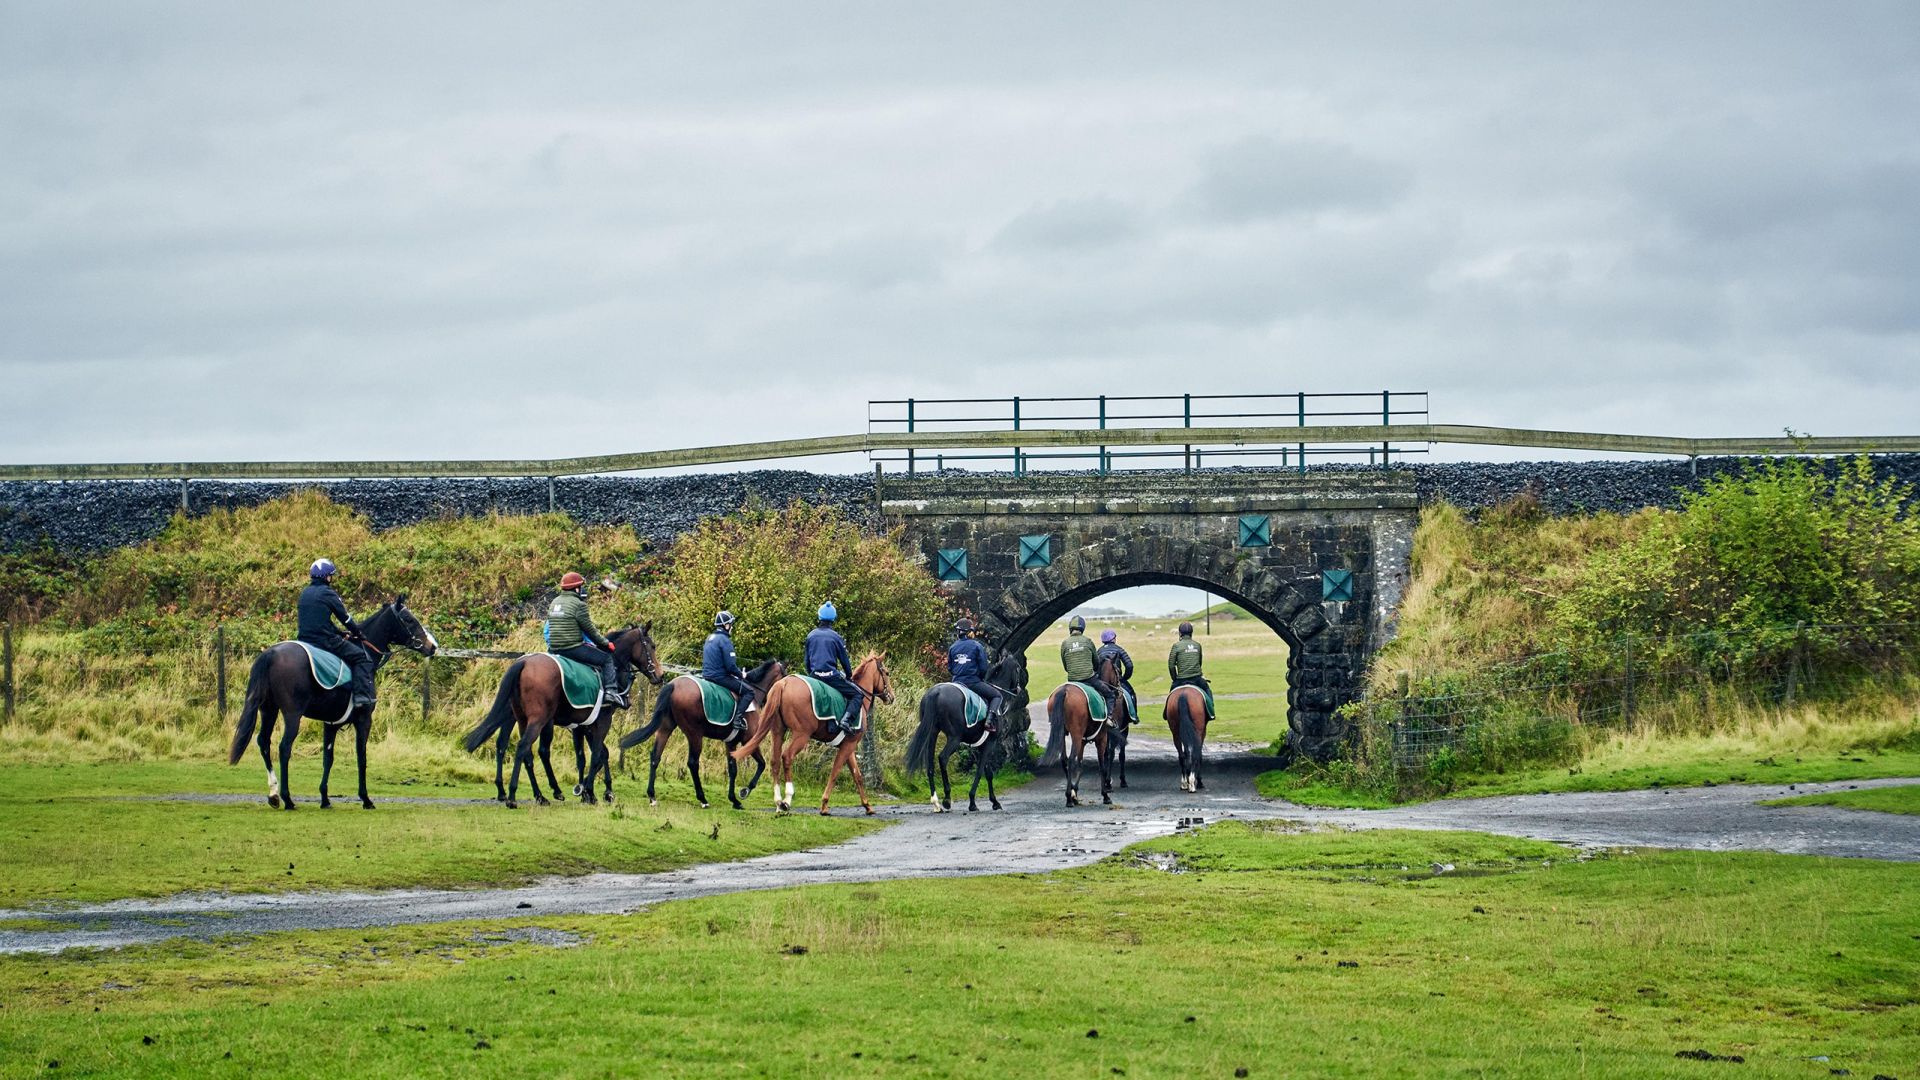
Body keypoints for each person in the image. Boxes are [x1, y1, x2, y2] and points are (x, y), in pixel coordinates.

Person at [297, 558, 376, 709]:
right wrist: (358, 633)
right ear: (326, 577)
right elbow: (345, 618)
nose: (331, 578)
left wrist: (340, 633)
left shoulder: (305, 593)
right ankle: (361, 696)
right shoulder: (327, 593)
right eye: (331, 575)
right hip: (324, 641)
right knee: (362, 658)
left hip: (304, 641)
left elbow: (319, 621)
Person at [546, 571, 628, 708]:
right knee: (607, 660)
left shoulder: (554, 602)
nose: (582, 589)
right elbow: (590, 630)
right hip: (572, 648)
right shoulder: (579, 604)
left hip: (553, 649)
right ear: (576, 588)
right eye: (581, 586)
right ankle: (611, 692)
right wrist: (606, 643)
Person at [804, 602, 865, 737]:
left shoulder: (811, 635)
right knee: (858, 694)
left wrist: (812, 674)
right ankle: (846, 721)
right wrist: (849, 675)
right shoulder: (836, 637)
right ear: (833, 619)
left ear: (819, 617)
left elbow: (806, 661)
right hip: (831, 676)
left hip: (814, 676)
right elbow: (844, 661)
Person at [945, 618, 1006, 733]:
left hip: (956, 682)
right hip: (972, 682)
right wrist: (981, 679)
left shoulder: (952, 647)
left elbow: (950, 668)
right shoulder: (977, 646)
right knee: (997, 696)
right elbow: (983, 668)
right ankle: (989, 722)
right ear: (970, 632)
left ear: (958, 632)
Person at [701, 610, 752, 740]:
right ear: (726, 625)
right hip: (720, 677)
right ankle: (737, 719)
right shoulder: (724, 640)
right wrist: (741, 675)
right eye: (731, 624)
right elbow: (730, 666)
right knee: (749, 692)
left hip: (707, 676)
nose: (732, 627)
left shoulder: (709, 638)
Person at [1059, 615, 1116, 718]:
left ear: (1070, 628)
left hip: (1072, 679)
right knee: (1110, 694)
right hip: (1089, 678)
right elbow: (1096, 662)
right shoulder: (1087, 641)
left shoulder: (1065, 643)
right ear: (1083, 628)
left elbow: (1066, 667)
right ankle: (1109, 718)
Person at [1093, 628, 1135, 722]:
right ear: (1114, 639)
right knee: (1131, 693)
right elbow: (1129, 665)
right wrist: (1124, 678)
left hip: (1100, 682)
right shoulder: (1119, 649)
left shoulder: (1099, 651)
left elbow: (1095, 667)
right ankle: (1133, 716)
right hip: (1116, 681)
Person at [1168, 621, 1212, 709]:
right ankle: (1211, 711)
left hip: (1181, 679)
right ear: (1191, 632)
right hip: (1196, 679)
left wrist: (1175, 679)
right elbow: (1199, 663)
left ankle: (1166, 712)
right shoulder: (1197, 645)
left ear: (1180, 633)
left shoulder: (1176, 646)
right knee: (1207, 690)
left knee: (1170, 696)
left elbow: (1171, 665)